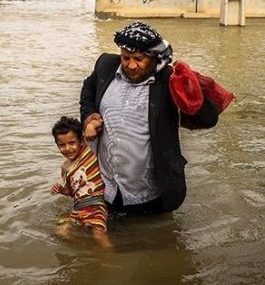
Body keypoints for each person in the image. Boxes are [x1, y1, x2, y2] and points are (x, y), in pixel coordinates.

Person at [80, 21, 219, 216]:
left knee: (155, 239)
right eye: (126, 58)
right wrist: (88, 117)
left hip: (151, 196)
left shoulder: (168, 80)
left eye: (139, 59)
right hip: (106, 190)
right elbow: (88, 88)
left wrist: (189, 86)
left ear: (154, 58)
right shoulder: (106, 65)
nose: (131, 65)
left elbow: (209, 119)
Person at [50, 116, 111, 247]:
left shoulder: (88, 151)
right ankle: (85, 247)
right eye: (62, 145)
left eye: (72, 143)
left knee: (98, 234)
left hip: (96, 205)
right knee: (60, 232)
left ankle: (109, 259)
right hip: (78, 209)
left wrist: (90, 125)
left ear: (81, 141)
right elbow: (71, 191)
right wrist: (61, 189)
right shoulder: (65, 168)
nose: (67, 148)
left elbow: (99, 123)